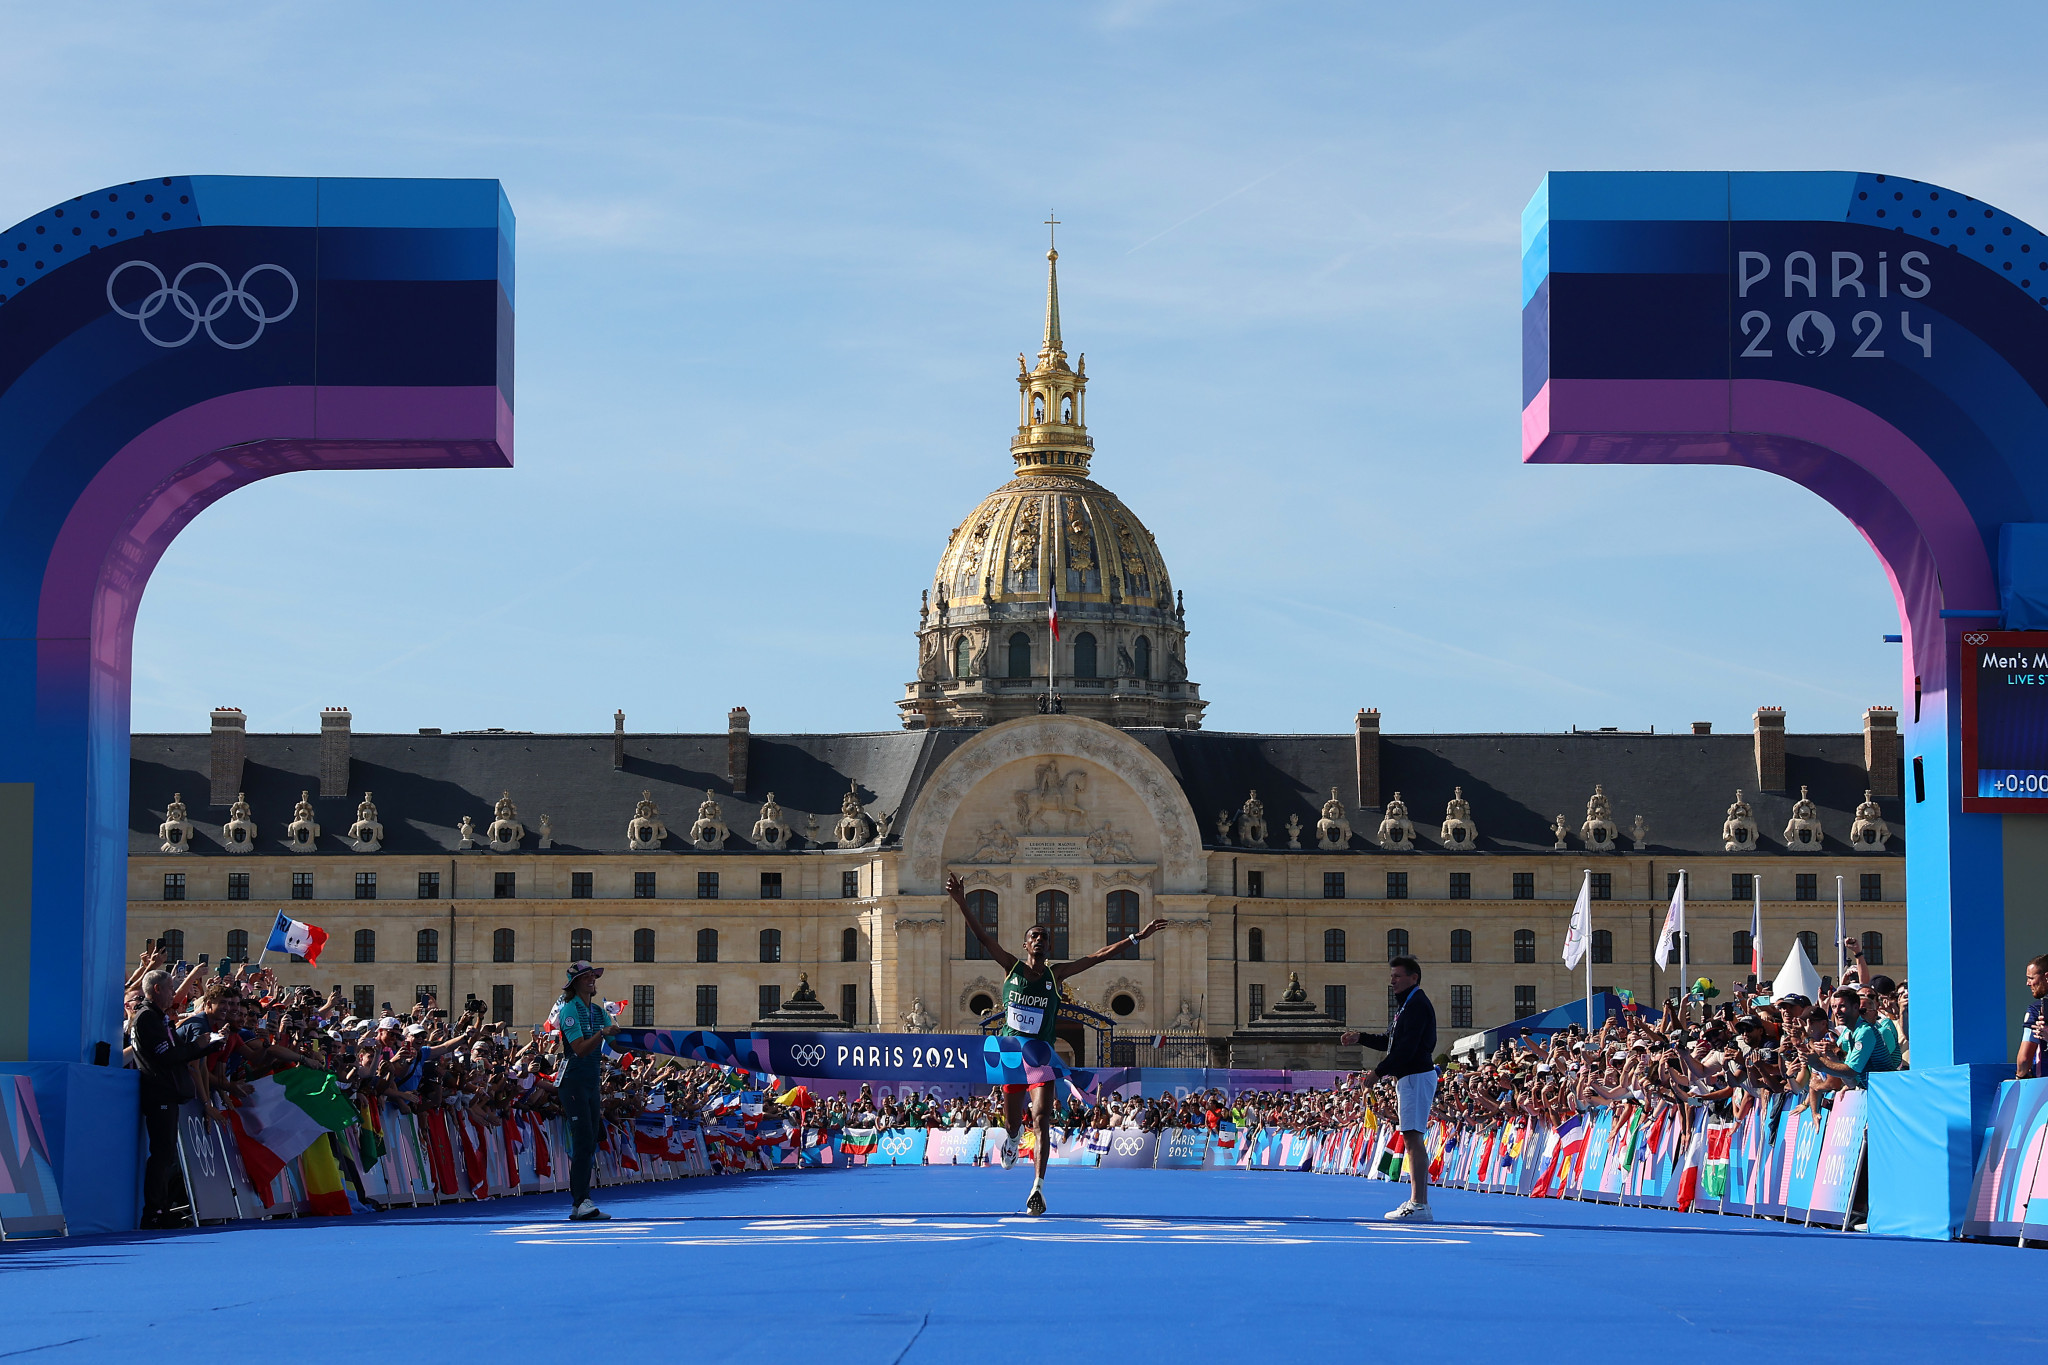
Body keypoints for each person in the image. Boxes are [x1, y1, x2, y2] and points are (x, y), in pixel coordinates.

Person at [947, 871, 1166, 1215]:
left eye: (1043, 938)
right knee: (1013, 1122)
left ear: (1048, 947)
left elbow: (1098, 956)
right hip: (1009, 1053)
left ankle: (1038, 1188)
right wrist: (961, 901)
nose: (1038, 940)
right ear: (1025, 944)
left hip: (1041, 1057)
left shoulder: (1055, 974)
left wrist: (1136, 937)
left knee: (1042, 1117)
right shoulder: (1011, 967)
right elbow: (982, 936)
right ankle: (1013, 1139)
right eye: (1033, 936)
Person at [1341, 955, 1437, 1222]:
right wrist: (1361, 1037)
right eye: (1392, 976)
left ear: (1413, 977)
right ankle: (1417, 1202)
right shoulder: (1407, 1005)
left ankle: (1419, 1204)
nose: (1392, 981)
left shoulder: (1417, 1004)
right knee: (1410, 1137)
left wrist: (1378, 1072)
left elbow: (1406, 1048)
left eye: (1397, 976)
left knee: (1413, 1138)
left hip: (1416, 1075)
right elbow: (1391, 1041)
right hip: (1410, 1077)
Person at [129, 969, 226, 1229]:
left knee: (166, 1154)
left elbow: (175, 1053)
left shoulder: (159, 1018)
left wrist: (207, 1045)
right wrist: (197, 1046)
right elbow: (166, 1056)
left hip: (166, 1092)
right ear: (157, 989)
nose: (174, 993)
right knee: (162, 1155)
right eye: (170, 988)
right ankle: (154, 1213)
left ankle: (161, 1209)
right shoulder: (147, 1017)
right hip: (158, 1091)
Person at [554, 960, 621, 1221]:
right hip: (573, 1082)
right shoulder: (569, 1009)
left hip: (591, 1082)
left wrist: (639, 1040)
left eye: (593, 976)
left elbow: (616, 1045)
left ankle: (580, 1202)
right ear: (575, 983)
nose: (592, 980)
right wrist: (603, 1033)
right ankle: (581, 1200)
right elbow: (580, 1049)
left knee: (590, 1142)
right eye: (587, 977)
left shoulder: (597, 1010)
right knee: (583, 1142)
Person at [2018, 955, 2048, 1079]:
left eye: (2031, 978)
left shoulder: (2037, 1010)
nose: (2028, 983)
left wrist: (2020, 1076)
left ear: (2046, 977)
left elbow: (2024, 1060)